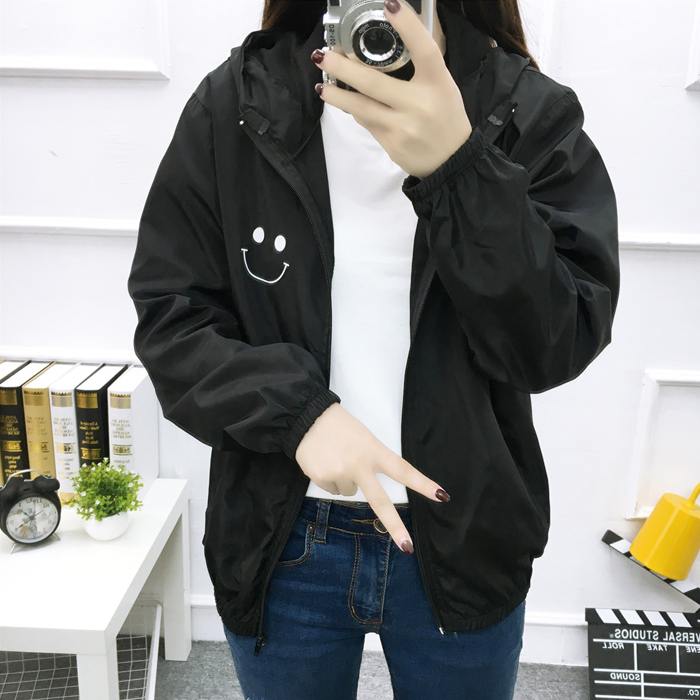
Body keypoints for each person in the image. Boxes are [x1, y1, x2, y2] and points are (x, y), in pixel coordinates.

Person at [127, 0, 620, 697]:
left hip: (463, 534)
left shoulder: (527, 112)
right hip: (282, 538)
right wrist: (298, 415)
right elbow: (171, 317)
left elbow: (555, 343)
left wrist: (461, 167)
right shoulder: (237, 104)